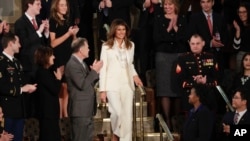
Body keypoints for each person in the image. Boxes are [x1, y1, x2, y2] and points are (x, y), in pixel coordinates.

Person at [99, 19, 143, 141]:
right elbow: (103, 69)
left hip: (127, 85)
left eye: (123, 29)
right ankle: (116, 135)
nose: (121, 32)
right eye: (119, 29)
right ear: (114, 30)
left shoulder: (131, 45)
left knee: (127, 117)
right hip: (112, 85)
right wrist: (102, 90)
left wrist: (135, 76)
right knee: (117, 113)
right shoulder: (106, 47)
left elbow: (130, 65)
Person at [153, 0, 188, 128]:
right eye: (165, 4)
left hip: (179, 56)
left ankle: (176, 120)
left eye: (170, 4)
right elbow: (157, 39)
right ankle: (167, 121)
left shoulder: (183, 18)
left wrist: (176, 29)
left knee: (178, 88)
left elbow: (185, 39)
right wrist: (168, 30)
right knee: (165, 89)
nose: (167, 7)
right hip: (163, 57)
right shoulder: (158, 18)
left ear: (176, 6)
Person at [14, 0, 49, 117]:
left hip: (39, 68)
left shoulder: (39, 21)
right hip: (28, 69)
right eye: (38, 4)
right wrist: (39, 32)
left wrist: (46, 33)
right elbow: (23, 43)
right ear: (29, 4)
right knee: (29, 103)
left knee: (40, 103)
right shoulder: (20, 23)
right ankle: (28, 131)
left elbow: (44, 44)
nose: (41, 7)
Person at [0, 32, 37, 141]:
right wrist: (22, 89)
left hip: (19, 109)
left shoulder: (16, 62)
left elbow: (19, 82)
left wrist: (28, 87)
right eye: (18, 43)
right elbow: (2, 86)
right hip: (6, 111)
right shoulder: (1, 62)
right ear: (11, 44)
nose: (20, 45)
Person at [65, 37, 103, 141]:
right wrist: (94, 72)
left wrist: (96, 73)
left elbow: (88, 83)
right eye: (87, 47)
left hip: (87, 110)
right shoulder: (72, 64)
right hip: (80, 110)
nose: (89, 49)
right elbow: (82, 84)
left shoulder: (82, 63)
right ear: (81, 49)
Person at [49, 0, 79, 118]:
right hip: (58, 57)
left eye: (65, 5)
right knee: (60, 85)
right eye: (61, 5)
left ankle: (65, 112)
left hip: (68, 56)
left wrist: (74, 34)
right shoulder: (53, 21)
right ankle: (60, 114)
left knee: (66, 86)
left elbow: (74, 42)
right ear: (56, 6)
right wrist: (68, 34)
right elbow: (53, 43)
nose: (64, 7)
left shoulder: (67, 21)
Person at [176, 34, 220, 113]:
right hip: (190, 95)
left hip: (208, 95)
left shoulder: (211, 57)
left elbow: (217, 78)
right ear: (189, 43)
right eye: (193, 44)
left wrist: (206, 81)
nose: (195, 46)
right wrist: (194, 82)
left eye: (198, 43)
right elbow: (179, 80)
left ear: (203, 43)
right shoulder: (182, 59)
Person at [34, 46, 63, 141]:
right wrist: (58, 79)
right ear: (45, 57)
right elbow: (55, 90)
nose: (54, 57)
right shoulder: (42, 73)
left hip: (50, 115)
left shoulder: (46, 72)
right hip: (47, 115)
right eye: (51, 55)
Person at [232, 3, 250, 72]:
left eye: (244, 12)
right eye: (240, 12)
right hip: (241, 54)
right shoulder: (236, 26)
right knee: (240, 56)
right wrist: (238, 30)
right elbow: (236, 47)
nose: (241, 14)